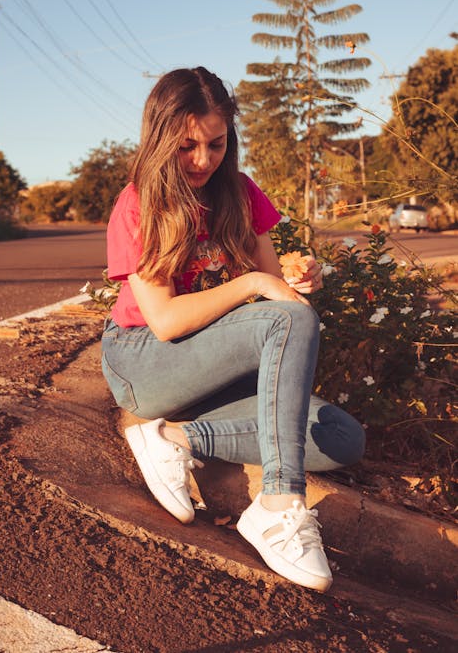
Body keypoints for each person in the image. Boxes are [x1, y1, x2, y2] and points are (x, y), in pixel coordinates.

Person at [101, 66, 365, 593]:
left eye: (216, 145)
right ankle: (279, 504)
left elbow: (276, 287)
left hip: (217, 373)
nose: (203, 160)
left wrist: (296, 275)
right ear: (160, 140)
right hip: (146, 361)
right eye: (187, 147)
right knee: (285, 318)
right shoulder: (141, 203)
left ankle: (172, 437)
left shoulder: (239, 192)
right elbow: (168, 320)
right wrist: (256, 287)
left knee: (341, 438)